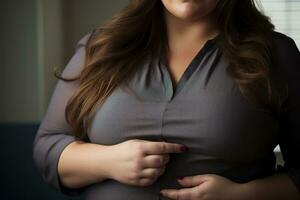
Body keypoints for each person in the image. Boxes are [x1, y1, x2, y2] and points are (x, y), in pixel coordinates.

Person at [32, 0, 300, 199]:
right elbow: (47, 147)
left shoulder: (276, 56)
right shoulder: (100, 49)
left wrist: (241, 195)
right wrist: (108, 161)